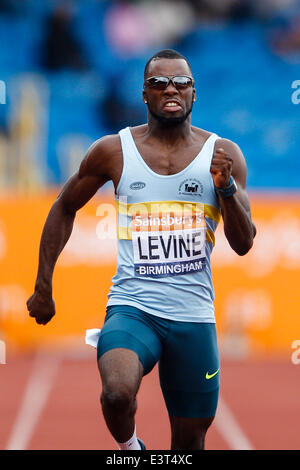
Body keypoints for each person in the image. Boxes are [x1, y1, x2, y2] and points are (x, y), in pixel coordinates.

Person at [27, 49, 256, 450]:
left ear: (193, 94)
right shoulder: (114, 151)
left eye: (181, 83)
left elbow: (243, 243)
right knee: (116, 393)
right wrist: (43, 286)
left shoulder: (224, 156)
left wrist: (226, 189)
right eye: (159, 82)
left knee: (189, 443)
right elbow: (64, 205)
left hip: (193, 317)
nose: (171, 89)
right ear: (144, 95)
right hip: (134, 307)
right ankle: (132, 450)